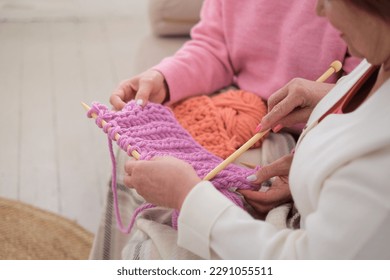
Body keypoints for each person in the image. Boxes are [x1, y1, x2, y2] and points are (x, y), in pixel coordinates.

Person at [89, 0, 360, 259]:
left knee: (176, 195)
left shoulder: (362, 19)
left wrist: (305, 165)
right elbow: (213, 46)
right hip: (239, 105)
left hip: (308, 132)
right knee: (134, 155)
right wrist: (163, 79)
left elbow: (364, 95)